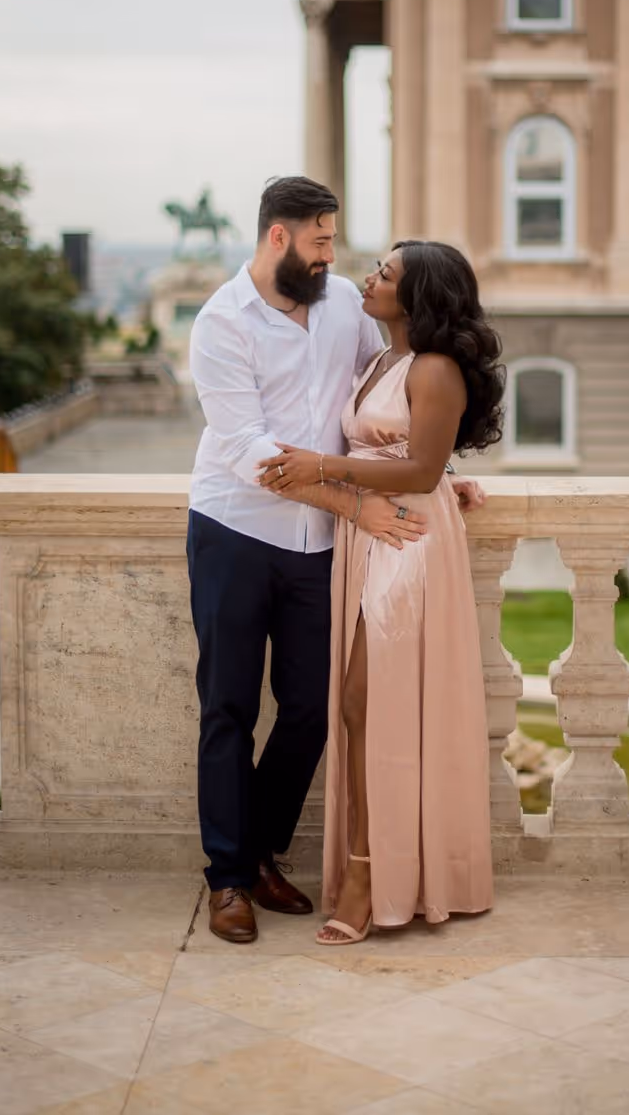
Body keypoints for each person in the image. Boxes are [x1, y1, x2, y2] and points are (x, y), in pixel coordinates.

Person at [187, 177, 481, 945]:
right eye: (319, 241)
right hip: (237, 530)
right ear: (278, 237)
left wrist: (438, 471)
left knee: (312, 710)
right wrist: (356, 504)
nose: (331, 256)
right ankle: (228, 879)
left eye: (334, 242)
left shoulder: (348, 301)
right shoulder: (221, 324)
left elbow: (388, 401)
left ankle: (259, 855)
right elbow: (256, 458)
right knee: (227, 708)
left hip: (321, 548)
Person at [259, 239, 504, 943]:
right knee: (363, 709)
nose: (369, 278)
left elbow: (421, 470)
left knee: (373, 704)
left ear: (417, 295)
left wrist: (323, 466)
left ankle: (372, 878)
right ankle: (379, 867)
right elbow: (405, 454)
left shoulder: (435, 367)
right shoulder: (380, 360)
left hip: (408, 542)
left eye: (385, 275)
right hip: (367, 534)